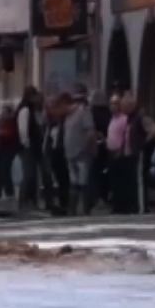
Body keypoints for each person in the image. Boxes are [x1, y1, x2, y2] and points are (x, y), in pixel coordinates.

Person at [61, 86, 96, 216]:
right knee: (74, 183)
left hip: (81, 153)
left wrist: (85, 148)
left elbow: (90, 132)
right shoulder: (67, 116)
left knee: (83, 182)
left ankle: (84, 208)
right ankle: (73, 209)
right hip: (70, 154)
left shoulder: (84, 112)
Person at [15, 86, 44, 212]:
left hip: (33, 147)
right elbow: (23, 130)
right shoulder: (25, 110)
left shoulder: (32, 110)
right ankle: (24, 202)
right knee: (29, 175)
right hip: (28, 148)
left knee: (33, 175)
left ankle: (31, 201)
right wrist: (26, 144)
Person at [90, 89, 113, 208]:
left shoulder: (92, 113)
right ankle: (104, 195)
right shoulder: (108, 114)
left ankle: (96, 197)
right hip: (106, 146)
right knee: (104, 172)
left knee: (94, 173)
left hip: (95, 147)